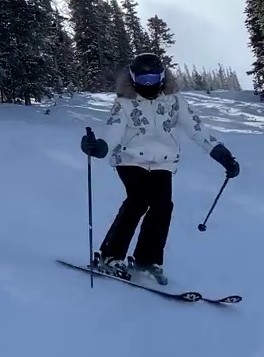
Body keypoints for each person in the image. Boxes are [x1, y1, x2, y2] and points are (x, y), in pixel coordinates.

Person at [78, 52, 240, 285]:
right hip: (130, 158)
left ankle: (147, 259)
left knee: (163, 206)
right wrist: (98, 148)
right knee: (139, 200)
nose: (148, 85)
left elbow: (197, 130)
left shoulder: (174, 101)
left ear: (162, 78)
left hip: (163, 161)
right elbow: (113, 132)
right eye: (143, 80)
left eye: (153, 79)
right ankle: (110, 255)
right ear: (132, 79)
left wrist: (223, 156)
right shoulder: (125, 103)